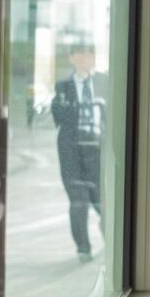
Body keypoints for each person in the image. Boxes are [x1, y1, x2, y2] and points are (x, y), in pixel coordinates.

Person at [51, 42, 106, 262]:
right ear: (72, 58)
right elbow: (59, 117)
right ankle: (83, 248)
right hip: (71, 147)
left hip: (96, 147)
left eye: (88, 54)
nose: (84, 58)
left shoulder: (104, 81)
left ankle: (114, 242)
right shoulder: (63, 86)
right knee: (78, 199)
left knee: (101, 198)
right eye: (79, 54)